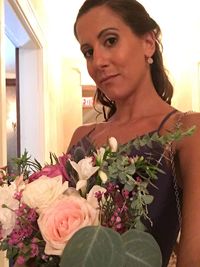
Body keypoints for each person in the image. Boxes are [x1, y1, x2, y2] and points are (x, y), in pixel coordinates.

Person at [68, 0, 200, 266]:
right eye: (88, 51)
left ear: (148, 43)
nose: (98, 62)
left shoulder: (186, 132)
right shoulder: (81, 136)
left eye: (111, 40)